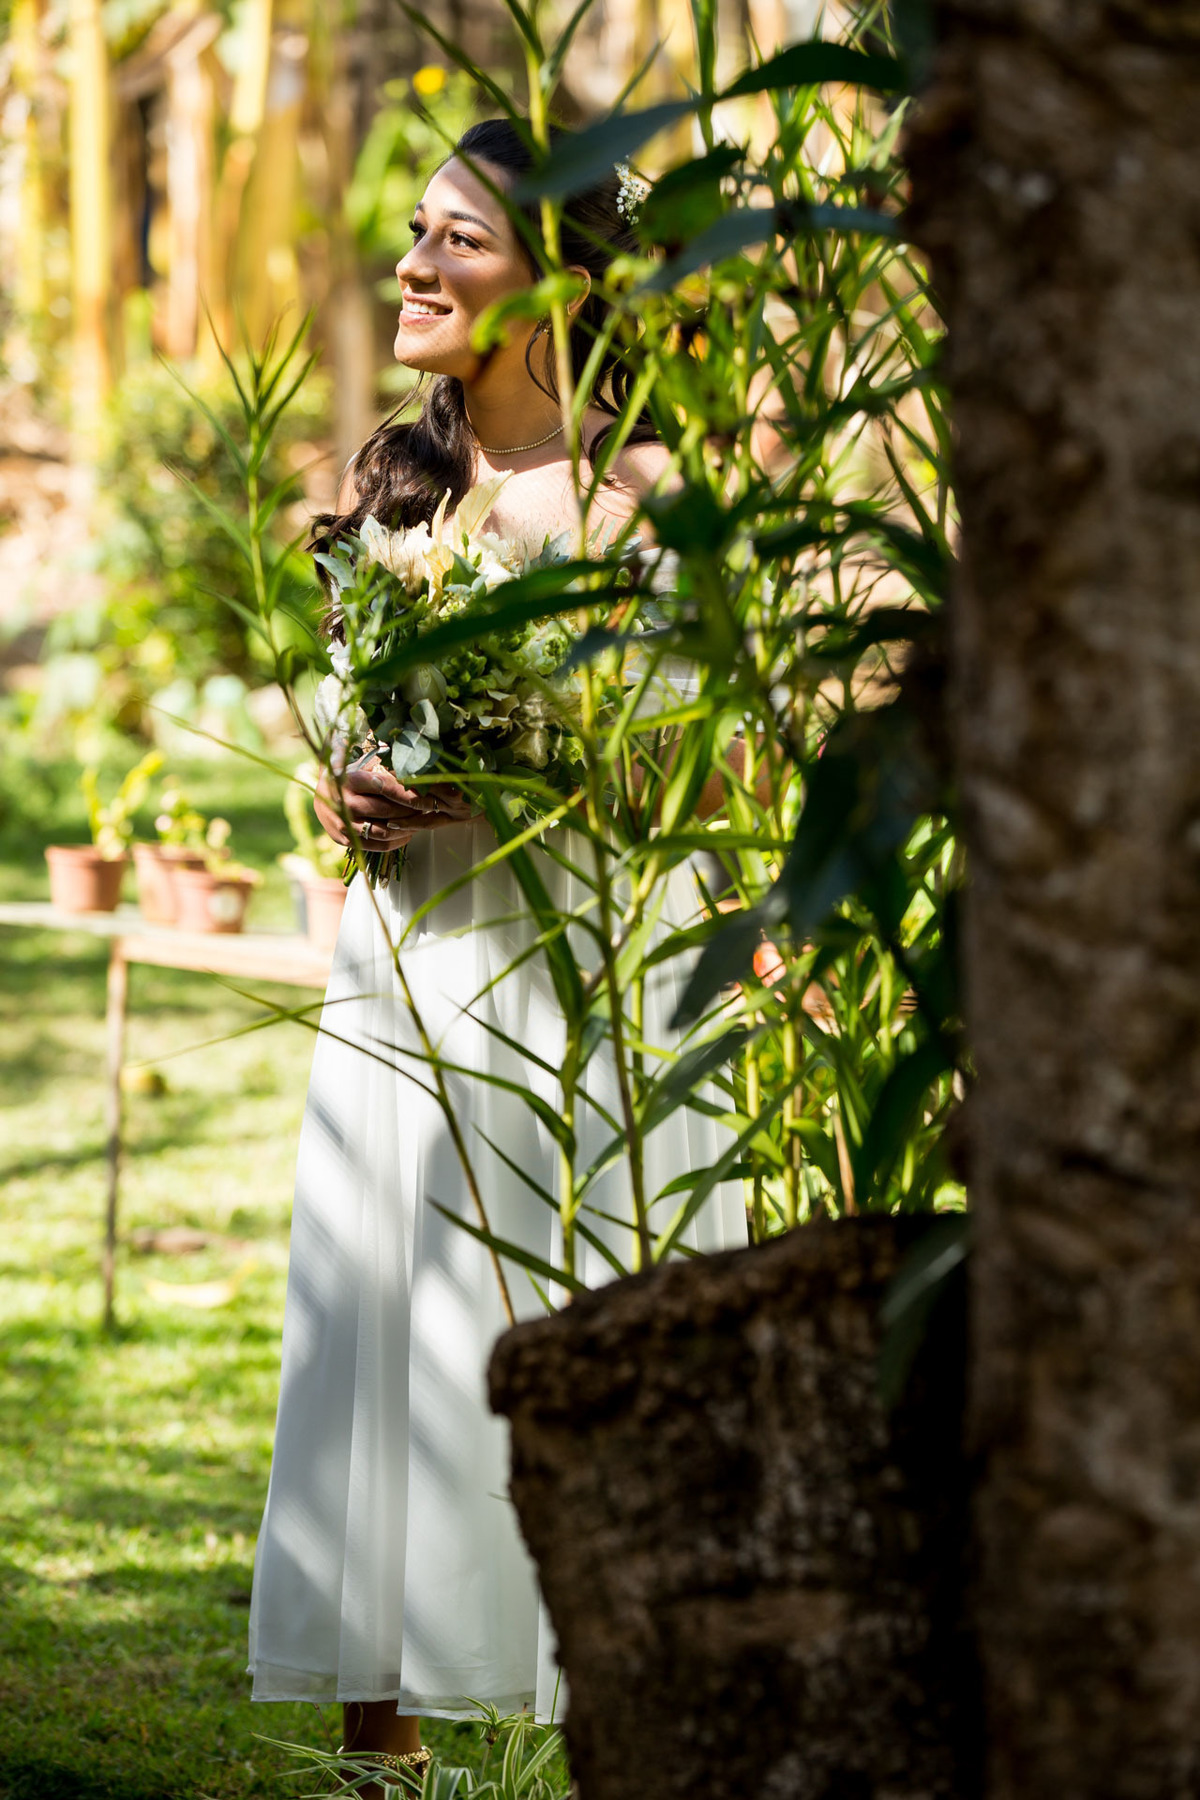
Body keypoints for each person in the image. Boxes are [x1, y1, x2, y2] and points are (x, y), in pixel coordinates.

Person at [247, 118, 746, 1786]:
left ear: (552, 280)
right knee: (380, 1328)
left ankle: (604, 1720)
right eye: (413, 236)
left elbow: (715, 774)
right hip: (408, 972)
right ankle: (374, 1753)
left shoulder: (641, 499)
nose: (413, 267)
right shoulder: (394, 486)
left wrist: (518, 772)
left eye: (457, 241)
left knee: (565, 1314)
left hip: (580, 969)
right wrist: (350, 792)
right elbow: (357, 737)